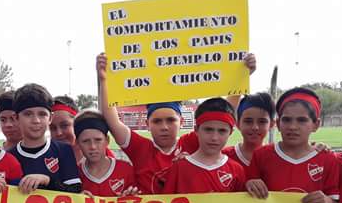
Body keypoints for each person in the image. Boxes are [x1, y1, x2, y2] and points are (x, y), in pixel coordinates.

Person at [96, 53, 256, 194]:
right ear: (147, 124)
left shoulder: (191, 142)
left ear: (182, 121)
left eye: (171, 120)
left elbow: (222, 115)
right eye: (157, 121)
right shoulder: (141, 148)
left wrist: (242, 76)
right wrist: (104, 80)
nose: (164, 127)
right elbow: (112, 120)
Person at [245, 87, 339, 203]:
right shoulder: (262, 155)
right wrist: (250, 185)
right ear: (278, 124)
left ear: (316, 124)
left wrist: (325, 201)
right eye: (287, 120)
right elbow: (249, 202)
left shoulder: (327, 159)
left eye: (302, 120)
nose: (293, 126)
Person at [9, 83, 81, 194]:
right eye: (28, 114)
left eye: (42, 114)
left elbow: (75, 191)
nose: (36, 120)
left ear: (50, 118)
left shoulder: (64, 150)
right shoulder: (9, 157)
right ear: (16, 118)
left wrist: (47, 180)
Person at [162, 97, 246, 194]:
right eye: (208, 129)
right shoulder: (179, 168)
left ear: (230, 132)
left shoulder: (236, 170)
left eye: (222, 131)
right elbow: (167, 201)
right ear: (196, 130)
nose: (214, 137)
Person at [73, 110, 137, 197]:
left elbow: (140, 198)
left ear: (107, 140)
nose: (93, 146)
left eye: (98, 140)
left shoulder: (126, 169)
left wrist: (132, 196)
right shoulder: (75, 174)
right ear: (77, 143)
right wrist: (76, 199)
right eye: (85, 141)